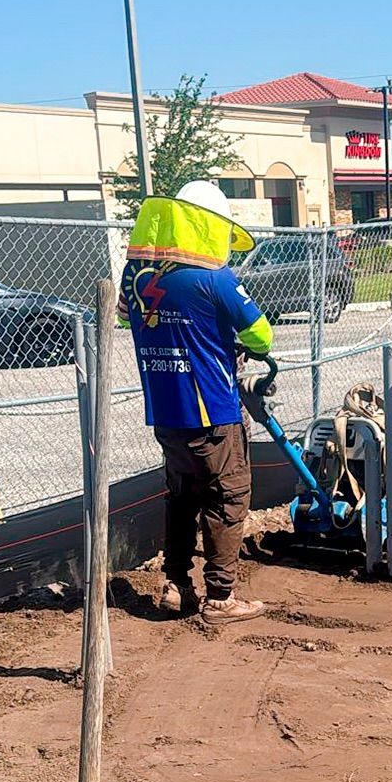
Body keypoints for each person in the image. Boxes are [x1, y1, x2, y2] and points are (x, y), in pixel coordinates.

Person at [118, 180, 274, 622]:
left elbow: (132, 316)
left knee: (182, 496)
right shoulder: (214, 277)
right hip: (213, 409)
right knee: (227, 496)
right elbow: (261, 334)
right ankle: (221, 596)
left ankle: (176, 585)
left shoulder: (138, 275)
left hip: (166, 411)